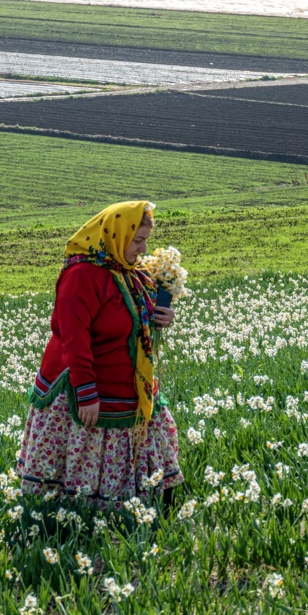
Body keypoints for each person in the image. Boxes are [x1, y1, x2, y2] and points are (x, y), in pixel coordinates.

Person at [17, 200, 184, 510]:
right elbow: (74, 338)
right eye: (137, 240)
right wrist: (86, 391)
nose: (143, 248)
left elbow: (135, 317)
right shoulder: (82, 275)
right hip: (86, 383)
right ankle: (77, 512)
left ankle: (148, 503)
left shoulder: (127, 270)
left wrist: (163, 316)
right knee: (81, 465)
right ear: (115, 234)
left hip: (128, 381)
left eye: (145, 240)